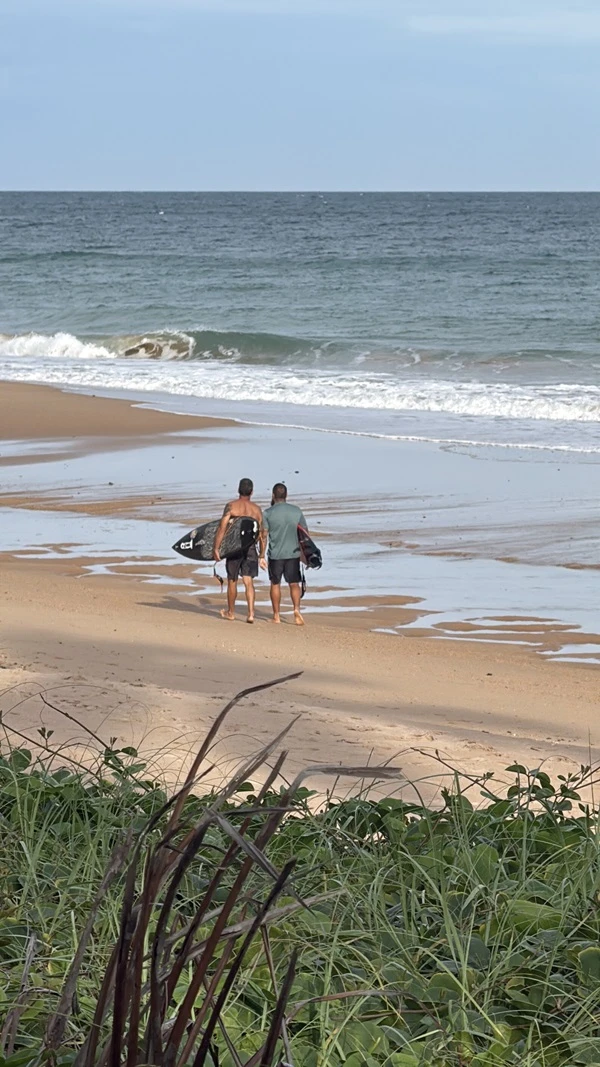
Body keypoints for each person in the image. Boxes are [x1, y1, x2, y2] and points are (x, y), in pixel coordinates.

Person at [214, 477, 264, 624]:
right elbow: (261, 533)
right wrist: (261, 553)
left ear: (238, 490)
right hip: (250, 547)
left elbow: (222, 527)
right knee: (248, 581)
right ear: (252, 492)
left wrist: (216, 548)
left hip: (234, 547)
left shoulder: (231, 506)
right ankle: (251, 614)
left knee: (232, 580)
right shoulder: (256, 510)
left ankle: (231, 612)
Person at [261, 482, 308, 626]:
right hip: (293, 553)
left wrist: (261, 555)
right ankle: (296, 610)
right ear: (286, 495)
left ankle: (276, 616)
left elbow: (264, 535)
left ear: (273, 495)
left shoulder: (267, 513)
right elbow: (305, 534)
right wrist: (305, 554)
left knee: (275, 584)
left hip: (275, 555)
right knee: (294, 584)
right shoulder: (296, 511)